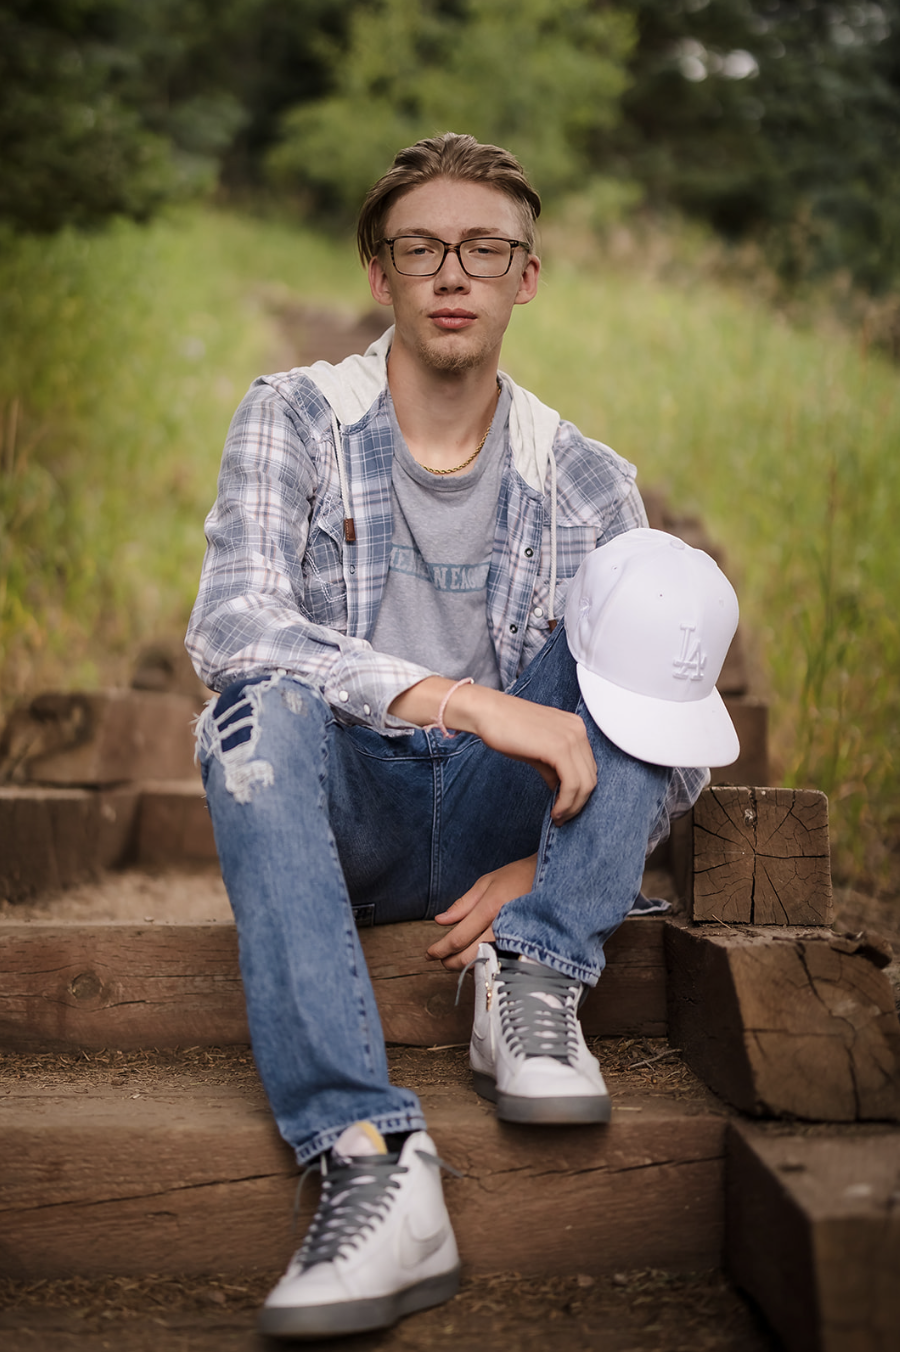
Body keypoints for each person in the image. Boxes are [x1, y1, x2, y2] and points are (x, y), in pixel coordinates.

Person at [186, 132, 726, 1341]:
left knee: (648, 593)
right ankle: (370, 1156)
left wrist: (555, 868)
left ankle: (537, 969)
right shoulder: (295, 417)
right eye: (422, 246)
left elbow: (673, 727)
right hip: (351, 812)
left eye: (485, 249)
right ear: (381, 272)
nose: (452, 272)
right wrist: (464, 696)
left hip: (504, 827)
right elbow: (232, 623)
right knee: (245, 716)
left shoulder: (586, 478)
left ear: (525, 276)